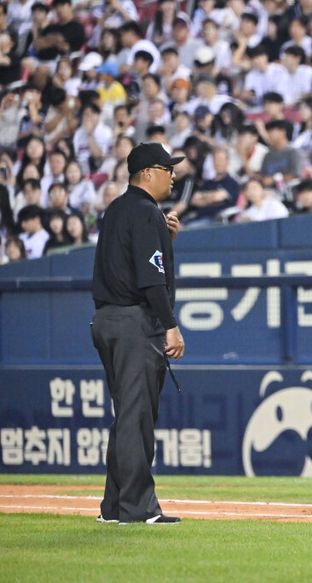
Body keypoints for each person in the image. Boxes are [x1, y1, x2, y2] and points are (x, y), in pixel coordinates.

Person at [91, 142, 186, 525]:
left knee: (126, 416)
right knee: (136, 418)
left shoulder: (117, 208)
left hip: (106, 320)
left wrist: (166, 241)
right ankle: (137, 508)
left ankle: (114, 508)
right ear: (148, 173)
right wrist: (171, 326)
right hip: (134, 324)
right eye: (168, 168)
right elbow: (151, 281)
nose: (173, 174)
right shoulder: (147, 213)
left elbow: (130, 263)